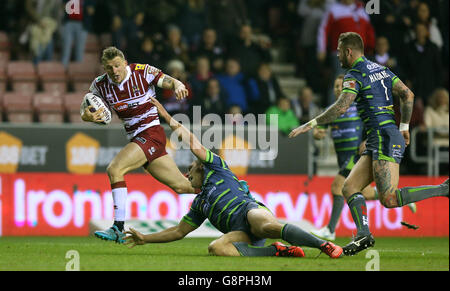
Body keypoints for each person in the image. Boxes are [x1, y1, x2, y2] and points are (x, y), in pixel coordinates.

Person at [123, 96, 344, 259]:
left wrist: (167, 117)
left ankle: (323, 245)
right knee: (216, 248)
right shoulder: (200, 204)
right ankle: (276, 251)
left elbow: (193, 143)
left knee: (263, 225)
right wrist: (145, 238)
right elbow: (179, 231)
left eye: (191, 169)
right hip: (240, 233)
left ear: (201, 167)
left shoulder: (217, 168)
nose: (187, 174)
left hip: (250, 211)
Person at [289, 32, 449, 256]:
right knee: (349, 187)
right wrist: (403, 127)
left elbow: (341, 107)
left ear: (348, 51)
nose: (337, 55)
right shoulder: (381, 69)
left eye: (338, 51)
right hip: (382, 136)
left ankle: (444, 188)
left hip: (383, 137)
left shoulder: (354, 74)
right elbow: (408, 94)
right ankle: (364, 234)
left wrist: (311, 122)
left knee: (389, 199)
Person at [81, 46, 196, 243]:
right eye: (109, 68)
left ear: (125, 63)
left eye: (117, 66)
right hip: (138, 138)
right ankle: (223, 189)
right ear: (104, 68)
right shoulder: (99, 86)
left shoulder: (142, 72)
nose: (114, 71)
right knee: (183, 186)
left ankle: (118, 227)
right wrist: (87, 116)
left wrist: (177, 85)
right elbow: (89, 112)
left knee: (115, 169)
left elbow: (167, 80)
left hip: (151, 133)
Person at [310, 74, 416, 241]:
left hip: (356, 155)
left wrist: (367, 140)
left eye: (341, 86)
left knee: (337, 186)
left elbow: (372, 124)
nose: (338, 89)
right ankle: (399, 195)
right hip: (342, 158)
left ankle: (330, 230)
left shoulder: (358, 106)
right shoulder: (332, 110)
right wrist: (317, 133)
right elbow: (319, 131)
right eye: (336, 86)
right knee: (363, 192)